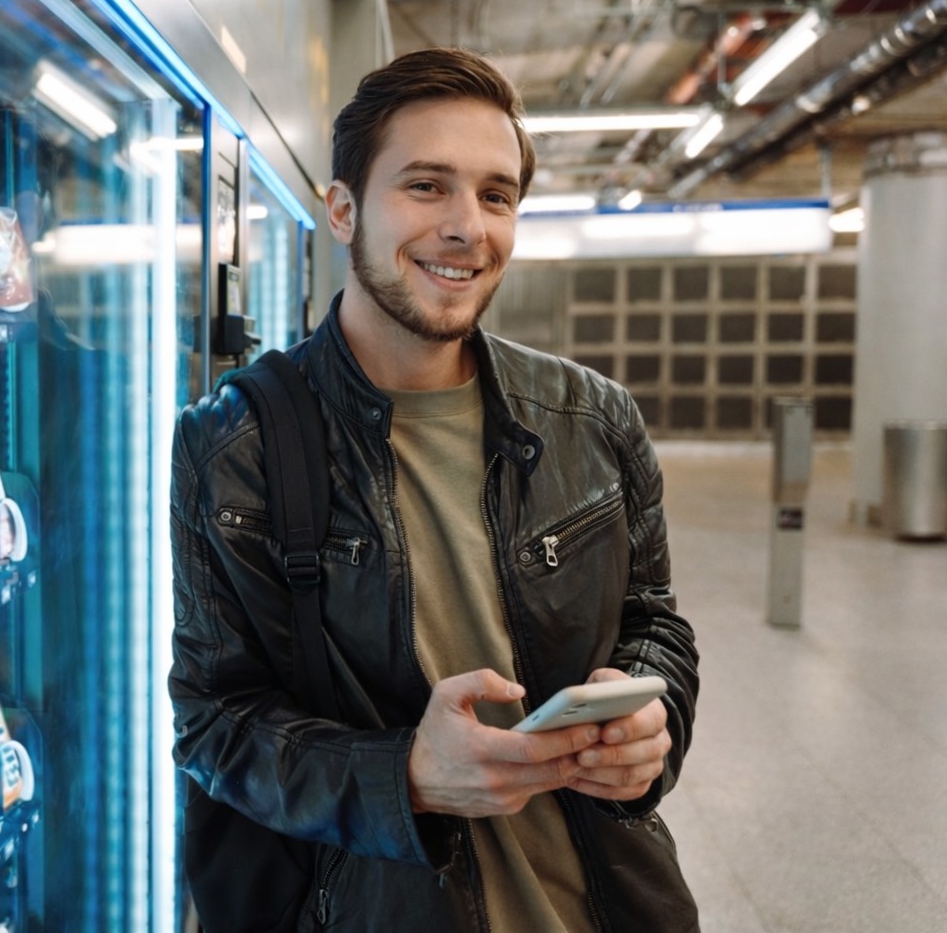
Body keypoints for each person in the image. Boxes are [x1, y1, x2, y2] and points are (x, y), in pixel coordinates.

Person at [169, 46, 699, 931]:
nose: (468, 227)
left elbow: (654, 623)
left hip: (606, 902)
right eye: (426, 186)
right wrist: (404, 776)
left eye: (497, 195)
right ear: (343, 211)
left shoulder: (595, 420)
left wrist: (656, 720)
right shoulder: (235, 446)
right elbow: (216, 723)